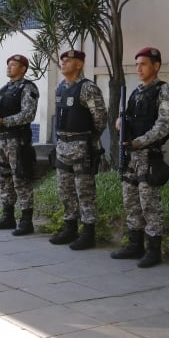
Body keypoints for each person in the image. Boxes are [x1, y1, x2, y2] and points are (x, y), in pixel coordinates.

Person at [112, 47, 169, 268]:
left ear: (156, 66)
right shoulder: (136, 91)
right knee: (130, 201)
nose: (138, 69)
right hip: (131, 156)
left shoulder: (166, 90)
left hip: (148, 155)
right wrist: (120, 122)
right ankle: (134, 245)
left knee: (149, 204)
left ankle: (154, 250)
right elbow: (128, 117)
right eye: (137, 65)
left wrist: (139, 142)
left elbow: (164, 124)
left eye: (143, 64)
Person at [49, 49, 107, 250]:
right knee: (65, 190)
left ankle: (88, 232)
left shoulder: (87, 88)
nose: (63, 63)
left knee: (84, 191)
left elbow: (100, 118)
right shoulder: (61, 88)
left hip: (81, 146)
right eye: (62, 60)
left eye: (68, 60)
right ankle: (69, 228)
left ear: (79, 64)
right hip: (62, 145)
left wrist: (89, 140)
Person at [0, 54, 40, 235]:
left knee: (21, 179)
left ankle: (26, 221)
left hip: (17, 142)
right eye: (8, 64)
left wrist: (4, 121)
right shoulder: (3, 90)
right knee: (5, 179)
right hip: (0, 141)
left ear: (23, 69)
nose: (9, 67)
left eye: (13, 65)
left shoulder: (28, 88)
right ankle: (7, 216)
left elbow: (28, 114)